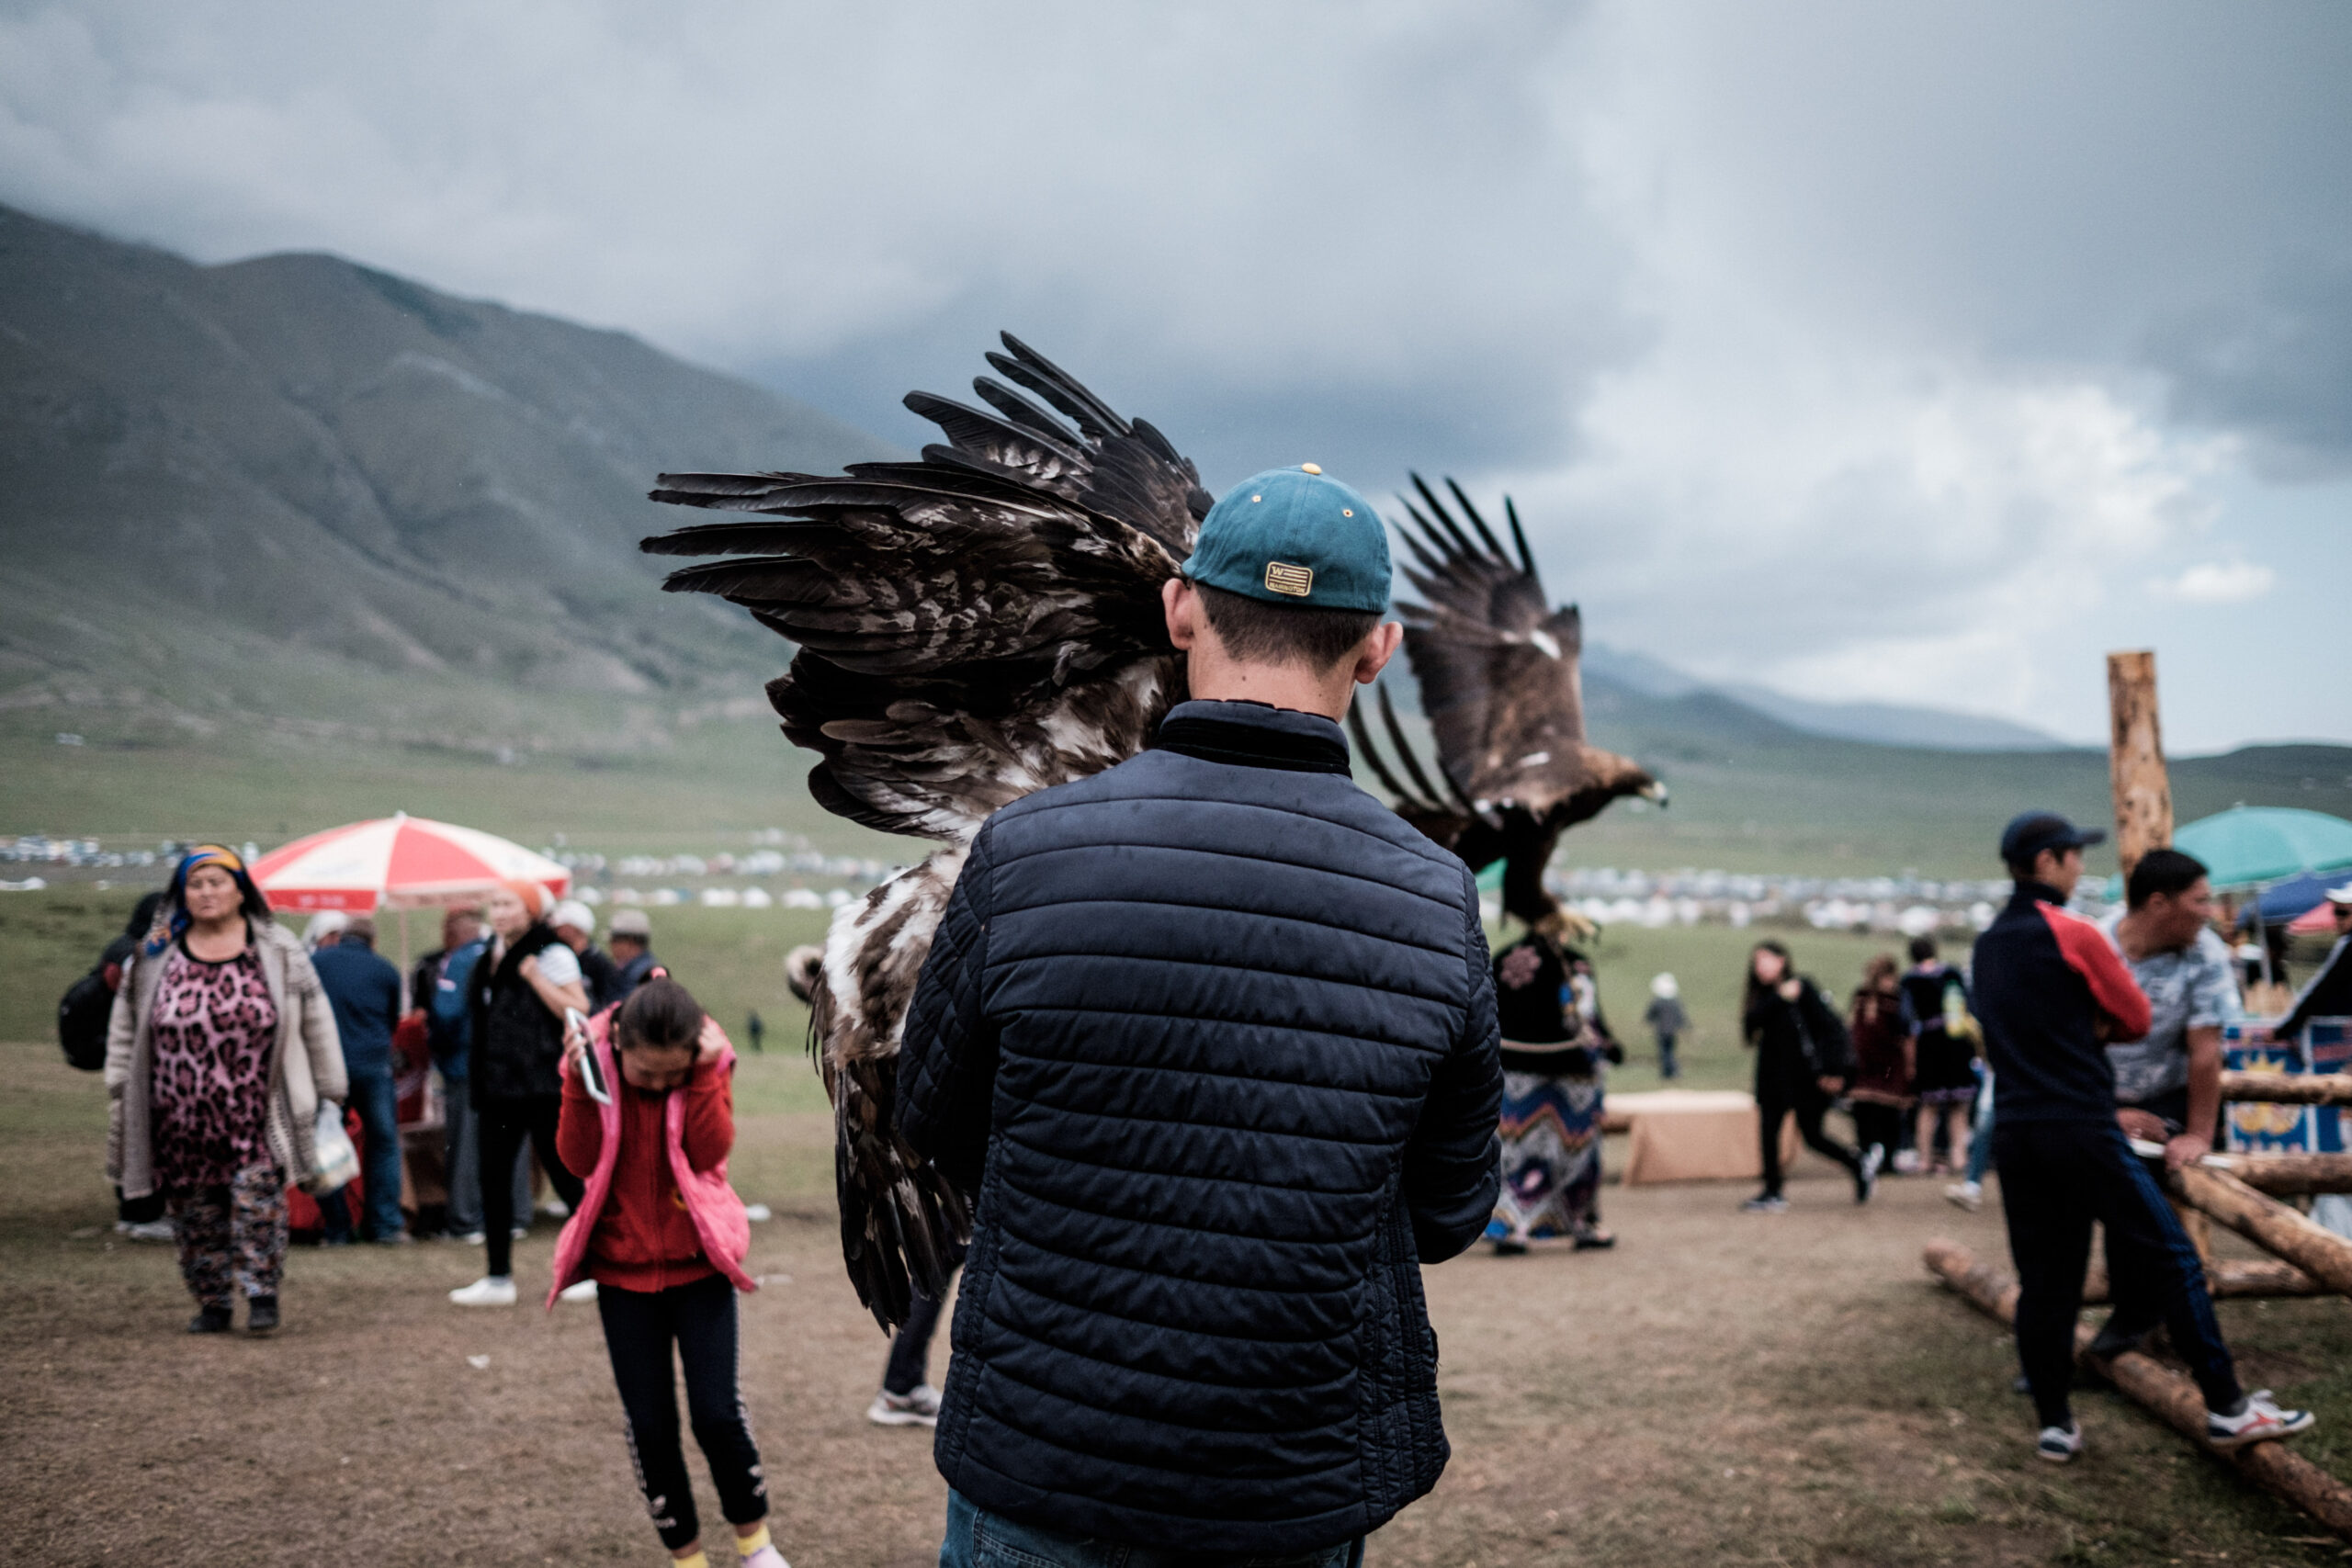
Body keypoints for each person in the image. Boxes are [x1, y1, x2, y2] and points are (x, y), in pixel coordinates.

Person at [898, 465, 1503, 1565]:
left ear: (1180, 608)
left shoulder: (1024, 856)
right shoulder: (1433, 899)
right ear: (1377, 648)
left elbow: (933, 1119)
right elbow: (1451, 1207)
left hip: (1043, 1461)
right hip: (1288, 1482)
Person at [1973, 809, 2312, 1463]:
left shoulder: (1987, 942)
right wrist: (2090, 1030)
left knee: (2046, 1278)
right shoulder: (2075, 932)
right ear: (2048, 863)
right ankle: (2227, 1407)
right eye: (2073, 856)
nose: (2079, 867)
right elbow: (2134, 1015)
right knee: (2173, 1256)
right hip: (2082, 1123)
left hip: (2016, 1130)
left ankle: (2055, 1423)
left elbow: (1998, 1029)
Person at [551, 978, 784, 1568]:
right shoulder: (592, 1065)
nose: (657, 1085)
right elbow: (576, 1160)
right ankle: (688, 1558)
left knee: (716, 1414)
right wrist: (580, 1087)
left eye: (670, 1075)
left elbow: (708, 1154)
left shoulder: (707, 1061)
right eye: (645, 1073)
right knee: (651, 1427)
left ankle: (755, 1546)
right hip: (622, 1276)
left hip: (698, 1268)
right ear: (619, 1047)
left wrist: (703, 1077)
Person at [105, 846, 345, 1335]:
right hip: (176, 1114)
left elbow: (316, 1019)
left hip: (257, 1111)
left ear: (241, 890)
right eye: (196, 884)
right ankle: (212, 1301)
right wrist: (117, 1087)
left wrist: (331, 1088)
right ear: (181, 894)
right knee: (194, 1215)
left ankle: (261, 1295)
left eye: (217, 882)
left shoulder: (277, 948)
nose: (207, 892)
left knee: (259, 1204)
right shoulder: (155, 953)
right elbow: (126, 1026)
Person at [2091, 847, 2245, 1353]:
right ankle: (2131, 1316)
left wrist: (2197, 1134)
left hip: (2169, 1097)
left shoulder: (2205, 953)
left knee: (2144, 1197)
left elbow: (2206, 1051)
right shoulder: (2094, 943)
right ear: (2160, 904)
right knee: (2109, 1197)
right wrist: (2109, 1113)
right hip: (2098, 1094)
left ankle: (2144, 1319)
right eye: (2200, 900)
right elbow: (2070, 1040)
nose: (2210, 910)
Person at [449, 879, 592, 1307]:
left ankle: (595, 1267)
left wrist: (534, 976)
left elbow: (579, 1008)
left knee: (566, 1174)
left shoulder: (552, 952)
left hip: (543, 1083)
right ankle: (498, 1278)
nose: (500, 912)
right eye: (494, 904)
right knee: (493, 1178)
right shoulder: (489, 952)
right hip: (497, 1084)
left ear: (531, 910)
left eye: (509, 903)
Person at [1487, 922, 1620, 1252]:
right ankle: (1582, 1223)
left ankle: (1510, 1227)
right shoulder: (1574, 964)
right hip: (1571, 1073)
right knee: (1576, 1154)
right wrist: (1609, 1046)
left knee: (1513, 1154)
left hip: (1514, 1072)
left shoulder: (1504, 958)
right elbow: (1583, 1017)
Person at [1740, 940, 1871, 1211]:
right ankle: (1772, 1191)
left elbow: (1831, 1028)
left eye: (1766, 960)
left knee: (1813, 1136)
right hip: (1771, 1076)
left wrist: (1833, 1070)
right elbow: (1750, 1026)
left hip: (1804, 1078)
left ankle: (1856, 1163)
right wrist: (1778, 998)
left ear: (1782, 961)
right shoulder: (1762, 995)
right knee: (1768, 1133)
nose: (1761, 967)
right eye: (1757, 962)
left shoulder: (1803, 987)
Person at [311, 915, 409, 1245]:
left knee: (325, 1143)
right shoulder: (385, 969)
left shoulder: (317, 962)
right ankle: (385, 1225)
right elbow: (393, 1018)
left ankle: (338, 1228)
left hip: (326, 1070)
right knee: (383, 1144)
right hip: (373, 1067)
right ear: (373, 941)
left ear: (341, 937)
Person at [415, 908, 490, 1241]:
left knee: (464, 1143)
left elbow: (446, 1012)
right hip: (496, 1065)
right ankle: (511, 1213)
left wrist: (436, 1045)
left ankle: (464, 1218)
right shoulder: (497, 955)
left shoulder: (460, 961)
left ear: (458, 932)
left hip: (463, 1063)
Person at [1901, 936, 1977, 1176]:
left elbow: (1905, 1017)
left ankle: (1924, 1158)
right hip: (1955, 1040)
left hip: (1929, 1043)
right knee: (1959, 1104)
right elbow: (1968, 1003)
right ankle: (1959, 1156)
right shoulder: (1951, 973)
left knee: (1929, 1104)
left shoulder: (1909, 980)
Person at [1847, 953, 1917, 1176]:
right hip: (1870, 1062)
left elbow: (1905, 1034)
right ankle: (1869, 1155)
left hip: (1885, 1063)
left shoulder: (1893, 999)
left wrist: (1909, 1063)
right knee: (1867, 1111)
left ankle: (1884, 1159)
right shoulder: (1868, 997)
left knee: (1886, 1113)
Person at [2276, 883, 2352, 1040]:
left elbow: (2322, 989)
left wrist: (2284, 1030)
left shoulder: (2347, 945)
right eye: (2335, 912)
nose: (2336, 918)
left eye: (2342, 912)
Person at [553, 899, 622, 1011]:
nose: (558, 931)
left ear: (575, 928)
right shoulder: (563, 956)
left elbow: (608, 1000)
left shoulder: (597, 961)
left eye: (562, 927)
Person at [1642, 972, 1688, 1079]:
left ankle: (1669, 1071)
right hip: (1672, 1030)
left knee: (1665, 1052)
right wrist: (1683, 1025)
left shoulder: (1658, 1001)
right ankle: (1670, 1071)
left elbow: (1650, 1014)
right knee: (1669, 1051)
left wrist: (1647, 1021)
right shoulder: (1674, 1001)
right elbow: (1680, 1015)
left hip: (1662, 1030)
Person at [607, 908, 660, 1003]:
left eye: (614, 940)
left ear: (630, 942)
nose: (610, 945)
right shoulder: (633, 968)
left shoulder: (639, 974)